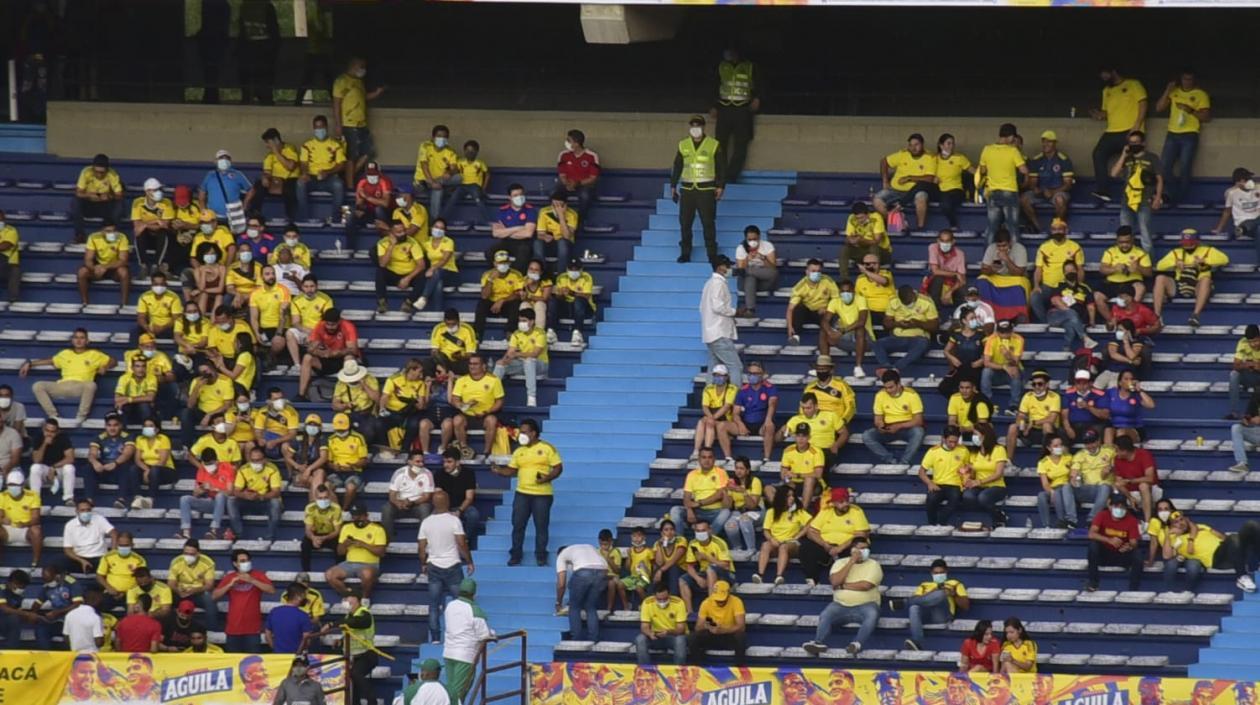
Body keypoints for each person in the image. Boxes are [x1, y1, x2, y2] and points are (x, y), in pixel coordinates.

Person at [802, 536, 880, 656]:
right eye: (861, 548)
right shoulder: (840, 563)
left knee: (872, 614)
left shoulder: (874, 565)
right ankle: (818, 643)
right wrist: (851, 562)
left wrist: (843, 586)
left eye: (866, 548)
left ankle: (856, 644)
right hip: (840, 605)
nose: (865, 551)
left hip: (866, 605)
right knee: (826, 614)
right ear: (852, 550)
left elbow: (866, 585)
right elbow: (835, 582)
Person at [498, 419, 562, 566]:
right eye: (520, 432)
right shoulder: (519, 451)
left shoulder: (547, 448)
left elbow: (558, 467)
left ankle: (541, 555)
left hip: (542, 495)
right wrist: (500, 471)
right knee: (518, 525)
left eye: (524, 432)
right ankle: (516, 554)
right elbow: (512, 470)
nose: (521, 435)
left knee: (541, 526)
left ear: (533, 433)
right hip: (522, 494)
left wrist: (547, 478)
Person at [419, 490, 472, 643]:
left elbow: (421, 548)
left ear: (433, 503)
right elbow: (461, 544)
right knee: (461, 602)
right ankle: (462, 634)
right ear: (448, 502)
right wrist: (469, 561)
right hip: (453, 565)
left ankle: (435, 637)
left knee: (434, 605)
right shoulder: (454, 521)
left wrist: (423, 563)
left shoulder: (426, 522)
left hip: (433, 566)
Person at [671, 115, 725, 264]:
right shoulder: (683, 144)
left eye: (698, 125)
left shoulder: (713, 144)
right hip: (687, 190)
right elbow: (677, 166)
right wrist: (673, 185)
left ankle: (712, 254)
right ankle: (685, 253)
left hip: (706, 189)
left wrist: (721, 186)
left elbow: (721, 167)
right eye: (693, 125)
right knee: (685, 223)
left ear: (703, 127)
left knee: (708, 222)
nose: (696, 128)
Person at [1163, 511, 1260, 593]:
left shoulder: (1201, 527)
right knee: (1233, 538)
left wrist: (1194, 528)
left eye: (1182, 519)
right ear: (1171, 526)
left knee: (1251, 525)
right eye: (1176, 522)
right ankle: (1242, 577)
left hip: (1228, 549)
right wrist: (1168, 535)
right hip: (1216, 559)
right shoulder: (1175, 539)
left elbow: (1223, 538)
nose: (1180, 523)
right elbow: (1167, 556)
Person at [1090, 68, 1148, 202]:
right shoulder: (1106, 91)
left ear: (1113, 71)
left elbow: (1143, 104)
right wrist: (1098, 115)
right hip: (1111, 131)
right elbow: (1106, 113)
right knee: (1098, 153)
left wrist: (1136, 127)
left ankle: (1135, 193)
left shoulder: (1133, 84)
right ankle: (1103, 190)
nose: (1103, 76)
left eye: (1105, 73)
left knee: (1132, 161)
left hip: (1130, 130)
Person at [1152, 229, 1229, 327]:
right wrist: (1174, 263)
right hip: (1180, 284)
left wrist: (1205, 261)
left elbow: (1225, 259)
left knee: (1206, 279)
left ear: (1197, 242)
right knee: (1160, 278)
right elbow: (1159, 266)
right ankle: (1156, 317)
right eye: (1185, 243)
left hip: (1198, 286)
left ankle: (1195, 315)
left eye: (1190, 243)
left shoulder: (1207, 250)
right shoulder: (1176, 252)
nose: (1187, 246)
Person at [1156, 71, 1211, 204]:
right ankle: (1172, 194)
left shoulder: (1200, 94)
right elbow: (1159, 108)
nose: (1187, 82)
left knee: (1185, 167)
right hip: (1172, 133)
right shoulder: (1175, 92)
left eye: (1190, 79)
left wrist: (1190, 110)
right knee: (1163, 166)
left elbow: (1206, 117)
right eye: (1185, 79)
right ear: (1180, 79)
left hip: (1190, 134)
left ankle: (1181, 199)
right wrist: (1167, 90)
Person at [799, 487, 869, 586]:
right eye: (841, 502)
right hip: (826, 545)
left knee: (856, 548)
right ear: (834, 503)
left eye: (846, 501)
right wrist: (823, 544)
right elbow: (811, 531)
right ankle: (812, 578)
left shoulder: (856, 512)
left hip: (846, 546)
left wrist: (840, 548)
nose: (845, 504)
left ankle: (847, 581)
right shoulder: (826, 511)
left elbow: (861, 534)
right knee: (805, 547)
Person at [898, 559, 970, 651]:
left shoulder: (955, 584)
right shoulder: (924, 585)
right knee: (914, 608)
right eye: (936, 573)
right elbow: (916, 600)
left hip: (943, 614)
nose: (939, 575)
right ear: (931, 573)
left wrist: (953, 594)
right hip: (927, 614)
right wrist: (934, 590)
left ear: (946, 572)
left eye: (941, 572)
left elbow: (966, 606)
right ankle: (917, 642)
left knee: (941, 593)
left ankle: (905, 603)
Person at [1109, 131, 1163, 252]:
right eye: (1131, 143)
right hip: (1127, 201)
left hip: (1145, 200)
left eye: (1136, 142)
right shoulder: (1127, 158)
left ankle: (1149, 265)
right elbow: (1113, 173)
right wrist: (1123, 155)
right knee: (1125, 235)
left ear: (1143, 143)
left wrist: (1158, 197)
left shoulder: (1152, 158)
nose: (1133, 145)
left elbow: (1159, 179)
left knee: (1146, 236)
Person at [212, 548, 274, 652]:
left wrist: (252, 580)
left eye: (247, 560)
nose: (246, 563)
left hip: (252, 629)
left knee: (253, 663)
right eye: (242, 561)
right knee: (233, 662)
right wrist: (229, 585)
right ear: (235, 563)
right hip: (233, 628)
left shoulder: (258, 575)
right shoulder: (229, 577)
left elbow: (271, 590)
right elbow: (214, 596)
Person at [332, 57, 383, 183]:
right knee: (352, 156)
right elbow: (336, 103)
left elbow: (362, 97)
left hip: (362, 124)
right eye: (361, 66)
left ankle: (347, 178)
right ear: (353, 65)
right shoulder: (341, 81)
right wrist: (338, 125)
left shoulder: (359, 81)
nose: (363, 70)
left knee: (368, 151)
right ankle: (349, 185)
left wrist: (376, 93)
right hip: (349, 124)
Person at [444, 355, 505, 457]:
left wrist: (487, 412)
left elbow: (499, 401)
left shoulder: (494, 380)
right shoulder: (462, 380)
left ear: (483, 366)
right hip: (467, 414)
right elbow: (455, 399)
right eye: (470, 364)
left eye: (475, 364)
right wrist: (461, 405)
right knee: (457, 420)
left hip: (485, 414)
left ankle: (487, 452)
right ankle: (464, 449)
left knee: (492, 420)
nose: (472, 366)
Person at [443, 579, 492, 705]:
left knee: (451, 690)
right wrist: (492, 634)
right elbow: (484, 635)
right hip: (465, 656)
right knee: (459, 693)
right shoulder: (474, 610)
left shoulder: (450, 605)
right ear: (473, 594)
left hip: (448, 652)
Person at [977, 123, 1029, 244]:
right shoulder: (1013, 151)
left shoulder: (987, 149)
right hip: (1009, 192)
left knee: (992, 228)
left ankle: (987, 258)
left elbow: (983, 170)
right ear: (1011, 137)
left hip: (992, 192)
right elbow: (1023, 170)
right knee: (1012, 228)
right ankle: (1016, 256)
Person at [297, 308, 363, 402]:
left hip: (342, 358)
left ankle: (350, 394)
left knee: (349, 358)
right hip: (327, 359)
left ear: (339, 322)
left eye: (333, 325)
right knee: (307, 357)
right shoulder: (320, 325)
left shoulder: (348, 326)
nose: (330, 327)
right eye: (328, 324)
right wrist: (320, 352)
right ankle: (301, 395)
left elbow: (353, 350)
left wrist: (336, 353)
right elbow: (311, 348)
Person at [875, 133, 938, 231]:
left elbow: (930, 178)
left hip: (916, 191)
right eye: (911, 145)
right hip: (895, 190)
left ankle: (920, 228)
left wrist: (909, 178)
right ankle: (897, 222)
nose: (913, 148)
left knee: (921, 198)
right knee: (877, 200)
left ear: (922, 145)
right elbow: (884, 161)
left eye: (916, 145)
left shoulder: (930, 157)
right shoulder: (903, 154)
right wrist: (885, 181)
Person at [862, 370, 926, 465]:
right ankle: (891, 461)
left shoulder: (912, 395)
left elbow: (918, 421)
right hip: (888, 428)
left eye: (891, 387)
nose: (888, 390)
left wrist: (899, 426)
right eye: (886, 387)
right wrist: (880, 425)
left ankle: (904, 462)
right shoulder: (880, 395)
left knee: (918, 432)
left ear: (899, 384)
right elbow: (877, 419)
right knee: (867, 435)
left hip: (907, 428)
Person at [872, 285, 938, 374]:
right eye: (904, 303)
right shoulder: (893, 301)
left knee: (923, 343)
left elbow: (934, 326)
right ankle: (886, 366)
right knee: (877, 344)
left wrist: (918, 323)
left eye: (909, 302)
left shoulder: (926, 302)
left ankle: (896, 368)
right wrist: (897, 324)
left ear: (913, 294)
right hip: (897, 338)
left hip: (918, 338)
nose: (908, 305)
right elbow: (886, 324)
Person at [752, 484, 810, 585]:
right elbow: (766, 530)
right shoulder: (771, 512)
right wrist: (771, 539)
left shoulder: (798, 512)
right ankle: (760, 574)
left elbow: (811, 524)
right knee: (765, 545)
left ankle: (779, 576)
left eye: (792, 496)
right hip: (776, 541)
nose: (792, 498)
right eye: (788, 496)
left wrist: (798, 536)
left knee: (783, 547)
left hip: (792, 543)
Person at [700, 254, 743, 389]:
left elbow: (702, 307)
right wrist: (735, 312)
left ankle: (708, 398)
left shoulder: (709, 283)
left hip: (710, 332)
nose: (730, 268)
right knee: (735, 366)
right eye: (727, 266)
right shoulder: (718, 284)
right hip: (719, 333)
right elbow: (718, 307)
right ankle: (736, 399)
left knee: (714, 368)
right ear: (720, 268)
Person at [1085, 492, 1142, 592]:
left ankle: (1133, 589)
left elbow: (1134, 542)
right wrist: (1109, 540)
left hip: (1121, 554)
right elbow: (1091, 534)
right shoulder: (1102, 515)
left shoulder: (1131, 520)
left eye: (1122, 506)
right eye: (1116, 506)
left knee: (1138, 555)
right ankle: (1093, 582)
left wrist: (1128, 546)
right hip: (1105, 553)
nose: (1119, 509)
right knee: (1093, 546)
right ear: (1110, 505)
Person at [1030, 219, 1084, 322]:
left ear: (1066, 230)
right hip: (1048, 286)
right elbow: (1038, 269)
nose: (1057, 232)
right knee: (1034, 298)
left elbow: (1080, 269)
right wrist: (1036, 285)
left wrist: (1079, 285)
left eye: (1060, 229)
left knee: (1074, 302)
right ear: (1051, 231)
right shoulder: (1044, 247)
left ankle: (1065, 322)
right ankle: (1046, 323)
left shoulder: (1075, 247)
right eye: (1054, 230)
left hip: (1067, 287)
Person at [328, 503, 386, 600]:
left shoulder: (377, 529)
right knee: (330, 575)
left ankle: (364, 598)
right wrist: (345, 544)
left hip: (369, 564)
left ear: (366, 515)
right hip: (349, 563)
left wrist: (363, 545)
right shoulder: (347, 528)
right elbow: (340, 552)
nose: (356, 519)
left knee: (367, 575)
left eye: (359, 516)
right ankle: (348, 595)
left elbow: (381, 552)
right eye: (354, 516)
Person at [1020, 131, 1074, 233]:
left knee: (1060, 200)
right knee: (1024, 199)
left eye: (1049, 142)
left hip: (1058, 191)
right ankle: (1037, 226)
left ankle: (1056, 227)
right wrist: (1036, 189)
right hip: (1041, 192)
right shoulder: (1037, 160)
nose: (1046, 144)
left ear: (1055, 143)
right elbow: (1033, 182)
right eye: (1044, 141)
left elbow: (1068, 184)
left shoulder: (1063, 159)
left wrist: (1052, 192)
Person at [494, 308, 549, 407]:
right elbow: (510, 352)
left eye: (524, 321)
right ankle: (491, 395)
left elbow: (535, 354)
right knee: (499, 364)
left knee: (529, 361)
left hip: (540, 365)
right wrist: (505, 360)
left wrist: (517, 354)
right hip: (522, 364)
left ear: (532, 322)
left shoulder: (540, 333)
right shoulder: (516, 334)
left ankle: (531, 398)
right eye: (520, 321)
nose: (521, 323)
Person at [296, 115, 347, 221]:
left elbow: (341, 165)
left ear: (326, 127)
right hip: (312, 177)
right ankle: (304, 219)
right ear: (313, 128)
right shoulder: (307, 145)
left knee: (339, 185)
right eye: (317, 128)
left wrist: (327, 172)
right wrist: (305, 173)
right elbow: (304, 163)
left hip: (330, 178)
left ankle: (336, 219)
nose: (319, 130)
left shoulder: (335, 145)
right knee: (300, 183)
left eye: (321, 127)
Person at [554, 542, 607, 642]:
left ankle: (576, 639)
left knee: (574, 607)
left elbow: (561, 584)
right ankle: (593, 639)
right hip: (602, 571)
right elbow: (604, 566)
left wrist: (558, 602)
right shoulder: (587, 547)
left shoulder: (561, 556)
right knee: (590, 606)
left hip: (583, 572)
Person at [178, 447, 234, 540]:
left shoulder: (227, 467)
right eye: (206, 464)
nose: (209, 466)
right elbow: (195, 494)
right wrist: (201, 489)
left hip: (227, 504)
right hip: (212, 503)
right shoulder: (202, 470)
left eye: (211, 464)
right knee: (185, 499)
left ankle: (214, 530)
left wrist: (213, 488)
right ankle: (186, 532)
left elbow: (230, 492)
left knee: (220, 496)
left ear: (216, 461)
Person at [228, 445, 283, 540]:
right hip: (248, 501)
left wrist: (261, 496)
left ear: (264, 460)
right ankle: (238, 534)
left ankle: (269, 537)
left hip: (265, 501)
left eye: (258, 460)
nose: (255, 463)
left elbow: (276, 492)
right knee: (231, 501)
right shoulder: (243, 469)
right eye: (253, 460)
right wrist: (245, 495)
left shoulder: (272, 469)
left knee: (276, 503)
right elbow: (236, 491)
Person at [918, 427, 969, 527]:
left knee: (955, 499)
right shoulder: (933, 451)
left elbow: (967, 469)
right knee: (931, 500)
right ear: (943, 439)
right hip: (938, 484)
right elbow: (921, 472)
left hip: (955, 484)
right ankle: (932, 524)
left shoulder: (963, 450)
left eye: (955, 442)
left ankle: (941, 522)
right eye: (950, 441)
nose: (953, 445)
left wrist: (966, 476)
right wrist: (930, 483)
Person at [672, 447, 732, 531]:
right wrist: (689, 509)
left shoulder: (721, 472)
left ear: (714, 459)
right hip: (698, 511)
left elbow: (720, 494)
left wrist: (700, 503)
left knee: (726, 512)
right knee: (675, 510)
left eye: (710, 457)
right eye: (704, 457)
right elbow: (686, 497)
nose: (707, 460)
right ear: (699, 459)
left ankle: (709, 535)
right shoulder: (691, 474)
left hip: (715, 511)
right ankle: (680, 541)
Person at [86, 415, 139, 510]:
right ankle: (89, 500)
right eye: (109, 425)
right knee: (88, 467)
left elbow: (127, 453)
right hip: (105, 470)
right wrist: (95, 462)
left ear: (121, 426)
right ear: (105, 426)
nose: (112, 428)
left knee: (126, 465)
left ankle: (121, 499)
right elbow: (92, 453)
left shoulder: (128, 436)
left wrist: (115, 463)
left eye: (115, 425)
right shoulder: (99, 437)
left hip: (119, 470)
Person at [689, 579, 746, 665]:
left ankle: (739, 668)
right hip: (712, 634)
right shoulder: (706, 603)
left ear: (728, 594)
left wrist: (723, 630)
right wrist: (710, 626)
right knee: (693, 637)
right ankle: (696, 666)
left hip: (728, 634)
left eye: (722, 600)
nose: (720, 602)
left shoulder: (736, 602)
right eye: (718, 600)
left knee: (740, 637)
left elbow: (741, 626)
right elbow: (698, 627)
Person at [1095, 228, 1154, 313]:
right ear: (1117, 241)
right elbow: (1102, 270)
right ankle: (1111, 321)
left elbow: (1149, 273)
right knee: (1097, 296)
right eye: (1121, 242)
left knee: (1140, 288)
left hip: (1131, 283)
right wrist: (1114, 269)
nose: (1124, 245)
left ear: (1132, 240)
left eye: (1127, 242)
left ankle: (1131, 316)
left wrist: (1138, 268)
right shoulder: (1110, 252)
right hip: (1112, 283)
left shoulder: (1141, 253)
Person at [730, 361, 778, 463]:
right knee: (721, 426)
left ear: (762, 375)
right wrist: (740, 424)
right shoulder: (743, 390)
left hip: (762, 423)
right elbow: (735, 413)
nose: (752, 376)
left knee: (770, 426)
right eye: (750, 373)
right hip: (746, 423)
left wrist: (768, 420)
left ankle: (766, 458)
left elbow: (772, 404)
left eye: (755, 374)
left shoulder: (770, 388)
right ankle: (728, 457)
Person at [247, 127, 300, 221]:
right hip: (275, 179)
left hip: (290, 179)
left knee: (289, 189)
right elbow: (267, 172)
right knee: (259, 184)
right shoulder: (269, 156)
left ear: (276, 140)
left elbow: (290, 167)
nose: (267, 146)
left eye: (268, 142)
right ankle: (255, 214)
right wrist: (265, 178)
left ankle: (291, 218)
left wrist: (276, 152)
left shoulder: (290, 149)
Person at [962, 423, 1009, 526]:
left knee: (983, 497)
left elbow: (998, 474)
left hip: (996, 486)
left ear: (984, 435)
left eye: (975, 434)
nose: (973, 437)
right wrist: (968, 476)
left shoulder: (999, 449)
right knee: (967, 495)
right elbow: (974, 474)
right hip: (979, 486)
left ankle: (999, 517)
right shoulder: (974, 452)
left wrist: (979, 481)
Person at [1005, 370, 1060, 458]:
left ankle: (1047, 460)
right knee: (1013, 427)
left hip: (1048, 430)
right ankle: (1009, 460)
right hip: (1031, 430)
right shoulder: (1028, 396)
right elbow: (1021, 415)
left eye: (1040, 384)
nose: (1037, 387)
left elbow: (1051, 419)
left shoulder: (1054, 397)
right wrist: (1022, 423)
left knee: (1047, 425)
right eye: (1034, 384)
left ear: (1047, 385)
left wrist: (1033, 423)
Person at [978, 229, 1031, 322]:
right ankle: (986, 313)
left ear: (1010, 243)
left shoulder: (1020, 248)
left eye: (1004, 246)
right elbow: (983, 270)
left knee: (1020, 283)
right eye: (999, 246)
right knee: (982, 280)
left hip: (1014, 278)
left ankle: (1018, 316)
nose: (1001, 248)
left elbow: (1019, 273)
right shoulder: (991, 248)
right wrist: (991, 270)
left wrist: (1007, 259)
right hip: (997, 277)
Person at [823, 279, 872, 377]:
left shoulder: (861, 299)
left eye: (848, 291)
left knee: (860, 329)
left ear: (853, 291)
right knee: (823, 331)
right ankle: (823, 365)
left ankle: (858, 367)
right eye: (843, 291)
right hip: (846, 338)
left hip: (865, 341)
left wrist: (842, 331)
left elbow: (861, 321)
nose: (845, 294)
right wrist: (829, 332)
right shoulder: (835, 301)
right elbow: (825, 320)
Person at [1046, 260, 1097, 352]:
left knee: (1070, 325)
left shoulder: (1085, 288)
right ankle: (1085, 338)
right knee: (1072, 314)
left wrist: (1092, 321)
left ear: (1077, 271)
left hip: (1074, 318)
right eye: (1067, 271)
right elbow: (1056, 301)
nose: (1070, 273)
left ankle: (1066, 348)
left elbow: (1091, 306)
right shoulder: (1059, 285)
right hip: (1056, 315)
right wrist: (1070, 313)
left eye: (1072, 270)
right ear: (1064, 273)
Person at [376, 221, 427, 314]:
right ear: (391, 233)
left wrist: (407, 278)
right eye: (399, 232)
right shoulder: (382, 243)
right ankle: (382, 302)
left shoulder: (412, 242)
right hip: (393, 274)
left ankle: (408, 303)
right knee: (380, 272)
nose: (403, 234)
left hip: (410, 274)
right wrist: (391, 246)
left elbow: (421, 265)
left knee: (423, 276)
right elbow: (382, 264)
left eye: (404, 230)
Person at [787, 259, 839, 350]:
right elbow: (790, 308)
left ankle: (829, 339)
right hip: (807, 312)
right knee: (799, 308)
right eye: (813, 271)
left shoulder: (828, 281)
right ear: (807, 272)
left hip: (822, 311)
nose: (816, 273)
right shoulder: (800, 286)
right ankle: (795, 336)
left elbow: (837, 299)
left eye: (819, 271)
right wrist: (789, 327)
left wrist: (827, 308)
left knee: (830, 314)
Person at [198, 150, 254, 233]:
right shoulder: (210, 175)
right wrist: (203, 211)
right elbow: (202, 194)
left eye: (227, 158)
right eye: (221, 158)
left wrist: (244, 206)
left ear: (230, 161)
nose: (224, 160)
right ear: (215, 161)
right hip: (213, 217)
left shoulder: (237, 174)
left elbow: (251, 190)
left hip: (233, 216)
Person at [167, 539, 218, 630]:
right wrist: (178, 590)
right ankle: (169, 629)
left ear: (198, 553)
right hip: (181, 592)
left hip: (198, 593)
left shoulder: (207, 562)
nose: (188, 556)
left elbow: (209, 585)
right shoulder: (176, 561)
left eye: (191, 554)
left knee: (209, 598)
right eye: (186, 553)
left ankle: (212, 631)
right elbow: (170, 583)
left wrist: (195, 590)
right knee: (167, 596)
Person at [1069, 430, 1117, 524]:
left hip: (1104, 488)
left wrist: (1110, 469)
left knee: (1105, 487)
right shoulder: (1080, 455)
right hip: (1087, 489)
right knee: (1066, 487)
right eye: (1087, 443)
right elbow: (1074, 471)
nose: (1090, 445)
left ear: (1099, 441)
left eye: (1092, 442)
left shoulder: (1109, 451)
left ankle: (1092, 519)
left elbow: (1117, 467)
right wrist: (1074, 478)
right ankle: (1069, 520)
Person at [436, 448, 481, 548]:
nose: (445, 465)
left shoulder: (468, 473)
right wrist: (445, 511)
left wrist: (459, 511)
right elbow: (438, 495)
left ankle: (464, 541)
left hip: (462, 507)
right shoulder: (439, 474)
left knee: (473, 515)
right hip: (445, 507)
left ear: (457, 462)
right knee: (432, 517)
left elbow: (469, 498)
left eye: (449, 462)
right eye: (444, 462)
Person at [474, 251, 525, 340]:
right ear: (494, 263)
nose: (503, 265)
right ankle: (477, 334)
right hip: (492, 304)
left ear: (509, 263)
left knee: (516, 303)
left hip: (507, 303)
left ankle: (510, 332)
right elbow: (484, 296)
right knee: (482, 304)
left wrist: (502, 300)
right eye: (500, 263)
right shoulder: (487, 274)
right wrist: (490, 280)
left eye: (505, 262)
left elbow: (518, 294)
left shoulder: (516, 274)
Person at [131, 178, 175, 278]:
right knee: (140, 235)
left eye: (159, 189)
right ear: (147, 192)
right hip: (146, 235)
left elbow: (165, 225)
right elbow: (137, 229)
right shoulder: (137, 202)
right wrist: (155, 221)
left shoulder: (166, 203)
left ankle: (156, 265)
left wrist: (145, 224)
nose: (158, 192)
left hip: (160, 235)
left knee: (163, 233)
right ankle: (143, 266)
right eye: (155, 190)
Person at [636, 582, 688, 665]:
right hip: (655, 636)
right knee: (640, 639)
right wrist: (650, 633)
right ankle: (645, 670)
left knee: (680, 640)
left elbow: (681, 629)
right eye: (659, 599)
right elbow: (644, 626)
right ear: (654, 596)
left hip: (672, 635)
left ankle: (679, 671)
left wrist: (668, 632)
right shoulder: (647, 602)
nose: (662, 601)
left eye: (665, 599)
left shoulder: (679, 603)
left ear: (669, 595)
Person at [340, 588, 378, 705]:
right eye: (346, 598)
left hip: (366, 654)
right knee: (353, 683)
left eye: (350, 598)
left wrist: (333, 623)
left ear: (358, 600)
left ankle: (372, 701)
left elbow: (360, 623)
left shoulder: (364, 613)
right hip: (352, 656)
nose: (347, 600)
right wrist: (340, 641)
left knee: (356, 674)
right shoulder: (347, 617)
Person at [692, 367, 738, 461]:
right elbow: (705, 406)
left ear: (726, 377)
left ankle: (706, 451)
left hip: (726, 420)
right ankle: (696, 451)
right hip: (712, 417)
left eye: (720, 376)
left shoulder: (732, 388)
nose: (718, 378)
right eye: (716, 375)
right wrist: (710, 418)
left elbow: (727, 406)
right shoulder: (708, 388)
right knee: (702, 422)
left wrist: (712, 419)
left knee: (708, 422)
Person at [556, 130, 600, 226]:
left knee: (585, 196)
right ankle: (558, 218)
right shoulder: (563, 155)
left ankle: (580, 220)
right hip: (566, 184)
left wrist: (577, 183)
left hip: (584, 185)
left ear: (576, 143)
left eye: (569, 140)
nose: (566, 142)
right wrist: (566, 183)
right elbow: (562, 174)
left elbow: (593, 178)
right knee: (554, 193)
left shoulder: (592, 156)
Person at [414, 125, 460, 216]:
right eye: (439, 136)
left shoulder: (450, 151)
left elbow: (454, 168)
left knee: (460, 177)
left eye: (444, 137)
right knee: (438, 189)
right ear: (433, 137)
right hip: (423, 182)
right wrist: (432, 182)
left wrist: (450, 172)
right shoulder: (425, 146)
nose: (441, 139)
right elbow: (424, 165)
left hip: (440, 181)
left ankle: (435, 223)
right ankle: (435, 221)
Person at [488, 183, 537, 268]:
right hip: (506, 242)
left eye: (521, 194)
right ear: (510, 198)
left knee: (524, 252)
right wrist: (518, 228)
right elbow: (496, 233)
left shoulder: (530, 210)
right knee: (489, 252)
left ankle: (515, 276)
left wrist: (506, 231)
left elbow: (528, 233)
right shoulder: (503, 211)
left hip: (524, 243)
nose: (519, 197)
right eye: (515, 195)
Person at [1113, 436, 1160, 522]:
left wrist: (1131, 481)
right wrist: (1130, 497)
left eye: (1117, 450)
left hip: (1151, 489)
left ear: (1124, 451)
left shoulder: (1144, 454)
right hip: (1130, 492)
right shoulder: (1117, 459)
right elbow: (1119, 482)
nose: (1115, 452)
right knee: (1116, 485)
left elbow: (1150, 478)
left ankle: (1147, 522)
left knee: (1143, 486)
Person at [62, 498, 116, 574]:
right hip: (79, 558)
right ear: (77, 511)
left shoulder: (99, 519)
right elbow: (67, 549)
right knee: (55, 568)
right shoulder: (70, 525)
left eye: (88, 510)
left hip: (100, 557)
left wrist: (111, 554)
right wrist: (81, 561)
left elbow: (114, 533)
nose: (86, 513)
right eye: (82, 510)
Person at [347, 162, 393, 250]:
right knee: (350, 215)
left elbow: (385, 203)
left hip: (383, 213)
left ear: (379, 173)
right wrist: (360, 205)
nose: (372, 177)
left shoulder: (384, 182)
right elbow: (359, 204)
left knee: (379, 209)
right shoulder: (362, 183)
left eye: (374, 174)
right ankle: (350, 248)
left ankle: (385, 244)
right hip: (368, 211)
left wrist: (367, 197)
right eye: (369, 174)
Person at [0, 470, 42, 566]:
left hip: (25, 528)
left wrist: (25, 524)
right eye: (10, 485)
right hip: (8, 529)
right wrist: (2, 520)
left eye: (15, 485)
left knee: (36, 531)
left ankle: (35, 561)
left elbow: (36, 518)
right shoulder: (2, 496)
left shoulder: (33, 496)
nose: (12, 488)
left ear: (22, 485)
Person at [981, 320, 1024, 413]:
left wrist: (1008, 355)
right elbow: (986, 363)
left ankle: (1014, 406)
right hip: (996, 370)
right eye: (1002, 332)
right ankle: (987, 403)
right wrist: (1003, 367)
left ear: (1012, 331)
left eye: (1007, 332)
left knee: (1015, 371)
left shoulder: (1019, 339)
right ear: (997, 332)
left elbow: (1015, 362)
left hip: (1011, 369)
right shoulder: (991, 339)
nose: (1005, 335)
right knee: (986, 372)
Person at [839, 202, 890, 278]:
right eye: (857, 218)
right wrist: (851, 240)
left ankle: (874, 277)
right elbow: (848, 237)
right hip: (862, 251)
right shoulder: (852, 218)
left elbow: (877, 241)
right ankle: (845, 281)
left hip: (882, 252)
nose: (859, 220)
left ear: (868, 214)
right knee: (844, 249)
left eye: (862, 218)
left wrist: (861, 240)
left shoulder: (876, 218)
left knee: (873, 247)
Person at [734, 226, 777, 316]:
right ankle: (750, 309)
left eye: (755, 239)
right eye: (749, 239)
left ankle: (750, 309)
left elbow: (772, 268)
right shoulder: (741, 248)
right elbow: (741, 269)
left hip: (763, 282)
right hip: (745, 284)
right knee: (750, 278)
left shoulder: (767, 246)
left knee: (773, 273)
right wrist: (747, 259)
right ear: (746, 238)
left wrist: (762, 258)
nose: (752, 241)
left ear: (759, 237)